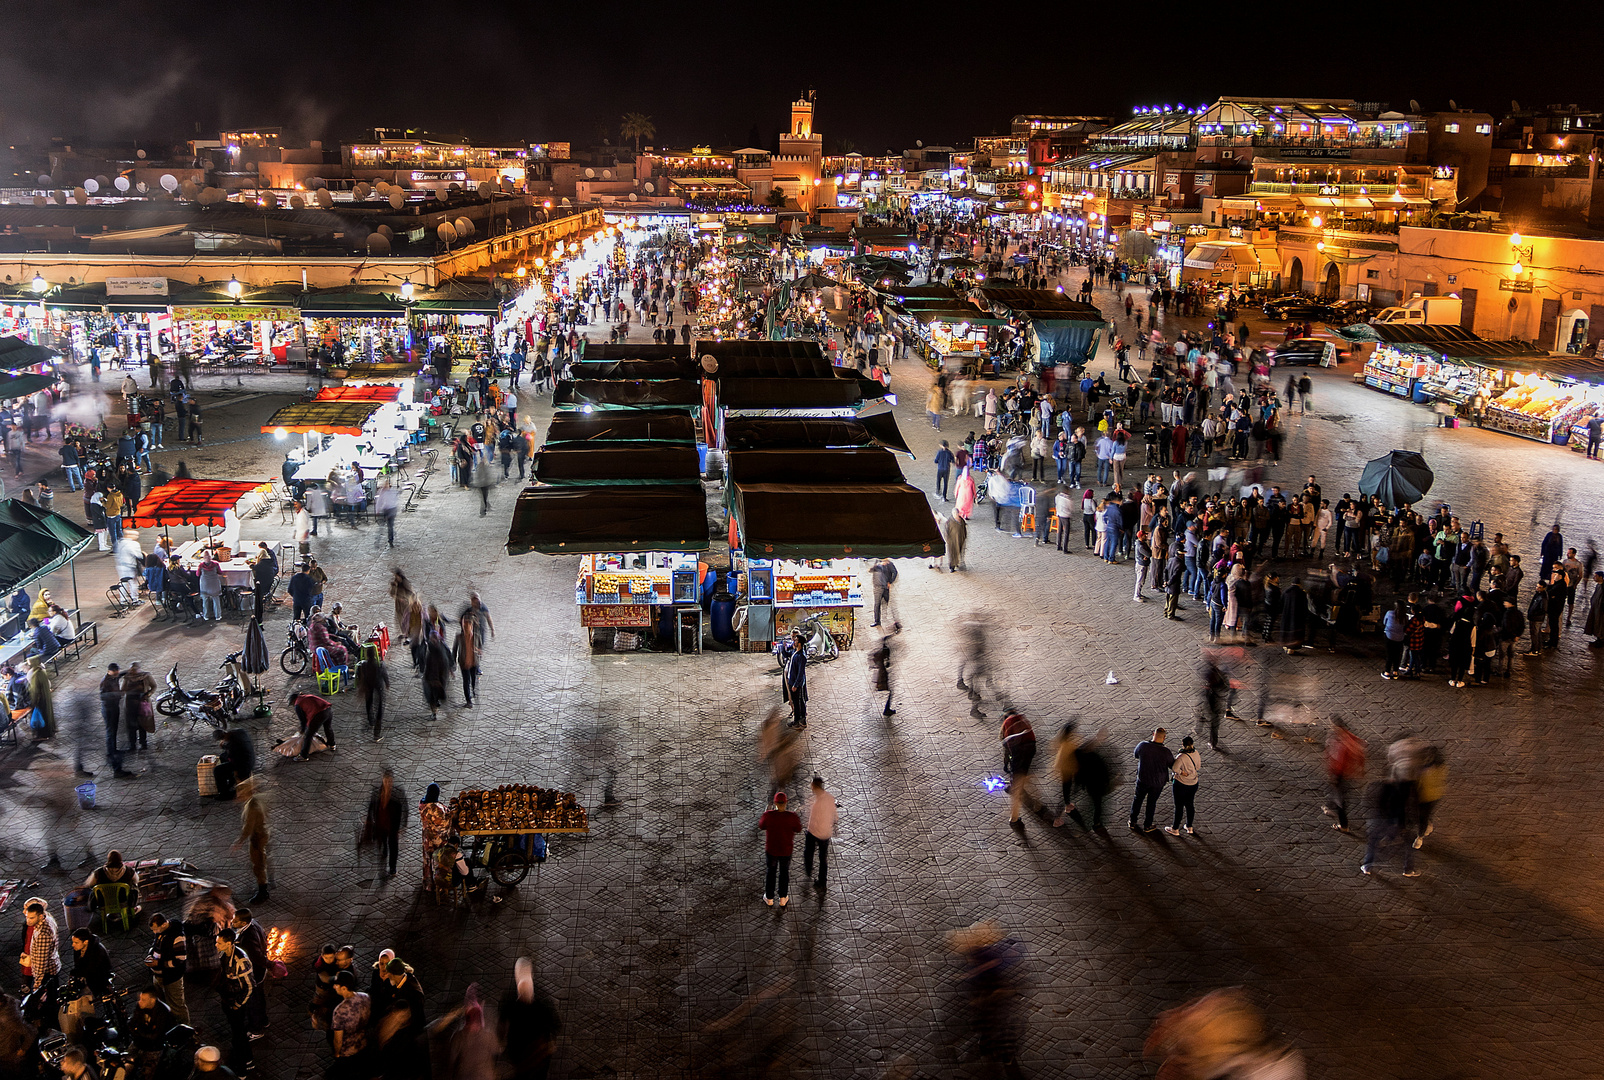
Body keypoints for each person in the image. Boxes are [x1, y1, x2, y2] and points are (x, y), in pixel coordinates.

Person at [499, 958, 561, 1080]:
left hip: (520, 1052)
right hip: (536, 1053)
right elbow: (555, 1024)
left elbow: (502, 1022)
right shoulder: (542, 999)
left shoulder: (509, 998)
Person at [213, 927, 254, 1074]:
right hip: (228, 1000)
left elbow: (249, 987)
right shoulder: (224, 955)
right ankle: (242, 1056)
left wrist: (237, 1004)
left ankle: (244, 1064)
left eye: (219, 943)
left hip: (237, 1004)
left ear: (230, 943)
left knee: (240, 1034)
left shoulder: (240, 962)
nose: (216, 945)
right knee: (236, 1032)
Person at [1360, 778, 1419, 878]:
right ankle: (1408, 869)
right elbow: (1401, 812)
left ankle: (1367, 866)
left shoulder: (1382, 790)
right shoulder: (1400, 795)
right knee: (1408, 844)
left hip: (1377, 821)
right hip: (1391, 823)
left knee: (1372, 842)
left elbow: (1372, 803)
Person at [757, 790, 802, 907]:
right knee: (784, 873)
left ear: (775, 803)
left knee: (771, 872)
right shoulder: (791, 816)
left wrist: (766, 812)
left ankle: (770, 897)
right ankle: (783, 897)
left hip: (772, 849)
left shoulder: (768, 815)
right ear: (786, 803)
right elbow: (798, 828)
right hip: (786, 850)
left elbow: (761, 825)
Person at [1129, 727, 1175, 833]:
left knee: (1138, 799)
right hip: (1158, 783)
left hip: (1143, 779)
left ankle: (1132, 821)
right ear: (1164, 737)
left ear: (1153, 734)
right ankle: (1147, 825)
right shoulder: (1166, 752)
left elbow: (1136, 755)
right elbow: (1172, 765)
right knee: (1151, 803)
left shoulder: (1143, 746)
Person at [999, 710, 1037, 828]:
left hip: (1019, 749)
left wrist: (1007, 763)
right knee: (1022, 771)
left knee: (1016, 778)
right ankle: (1019, 783)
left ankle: (1014, 819)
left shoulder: (1007, 722)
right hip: (1031, 747)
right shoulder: (1022, 719)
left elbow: (1006, 747)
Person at [367, 769, 408, 878]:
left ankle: (392, 867)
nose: (388, 783)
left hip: (393, 825)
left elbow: (404, 808)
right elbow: (371, 807)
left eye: (390, 781)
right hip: (380, 823)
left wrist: (402, 825)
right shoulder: (377, 792)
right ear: (383, 780)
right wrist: (370, 820)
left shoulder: (397, 793)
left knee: (393, 846)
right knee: (384, 840)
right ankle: (385, 848)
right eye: (386, 781)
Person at [230, 791, 270, 904]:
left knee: (258, 864)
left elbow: (248, 827)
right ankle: (264, 884)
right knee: (261, 861)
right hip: (262, 833)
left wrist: (239, 841)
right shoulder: (255, 800)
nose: (238, 796)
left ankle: (263, 891)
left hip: (257, 837)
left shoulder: (252, 806)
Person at [330, 970, 371, 1072]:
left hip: (348, 1051)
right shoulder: (365, 997)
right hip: (363, 1043)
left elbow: (338, 1040)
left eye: (336, 985)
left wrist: (337, 1054)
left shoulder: (340, 1011)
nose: (334, 987)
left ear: (344, 988)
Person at [1163, 736, 1202, 836]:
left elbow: (1174, 768)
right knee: (1190, 804)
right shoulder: (1196, 753)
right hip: (1193, 783)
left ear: (1182, 744)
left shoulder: (1181, 757)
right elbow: (1198, 767)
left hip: (1181, 784)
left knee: (1179, 806)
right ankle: (1189, 826)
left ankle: (1175, 828)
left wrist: (1182, 772)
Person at [802, 776, 836, 890]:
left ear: (815, 787)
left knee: (809, 852)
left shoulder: (815, 802)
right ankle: (822, 881)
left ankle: (808, 869)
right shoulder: (830, 798)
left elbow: (813, 819)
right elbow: (835, 817)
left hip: (814, 832)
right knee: (823, 858)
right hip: (826, 834)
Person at [289, 691, 335, 759]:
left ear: (293, 700)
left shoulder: (297, 704)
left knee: (308, 735)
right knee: (328, 727)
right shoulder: (305, 697)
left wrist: (303, 730)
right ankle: (332, 745)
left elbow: (303, 720)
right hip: (328, 710)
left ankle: (304, 756)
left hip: (319, 714)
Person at [782, 630, 808, 728]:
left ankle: (800, 721)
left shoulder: (801, 656)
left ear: (800, 643)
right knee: (796, 702)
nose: (794, 641)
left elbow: (800, 673)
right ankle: (798, 721)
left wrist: (795, 685)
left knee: (799, 702)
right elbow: (786, 655)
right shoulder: (794, 652)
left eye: (796, 640)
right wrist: (783, 647)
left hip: (796, 684)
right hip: (792, 681)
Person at [869, 558, 900, 630]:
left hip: (885, 587)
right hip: (877, 587)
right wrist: (877, 565)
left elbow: (895, 572)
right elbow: (871, 570)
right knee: (877, 604)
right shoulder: (877, 562)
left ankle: (891, 620)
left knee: (887, 604)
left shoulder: (889, 564)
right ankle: (877, 621)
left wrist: (890, 582)